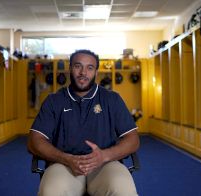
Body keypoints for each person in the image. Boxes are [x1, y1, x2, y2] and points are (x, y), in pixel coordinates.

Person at [27, 49, 140, 196]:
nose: (83, 72)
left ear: (96, 72)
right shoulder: (54, 101)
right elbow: (34, 141)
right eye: (78, 66)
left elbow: (133, 140)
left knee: (123, 189)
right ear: (70, 69)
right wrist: (66, 158)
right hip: (63, 165)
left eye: (90, 67)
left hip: (106, 164)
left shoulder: (112, 99)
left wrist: (104, 156)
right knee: (51, 191)